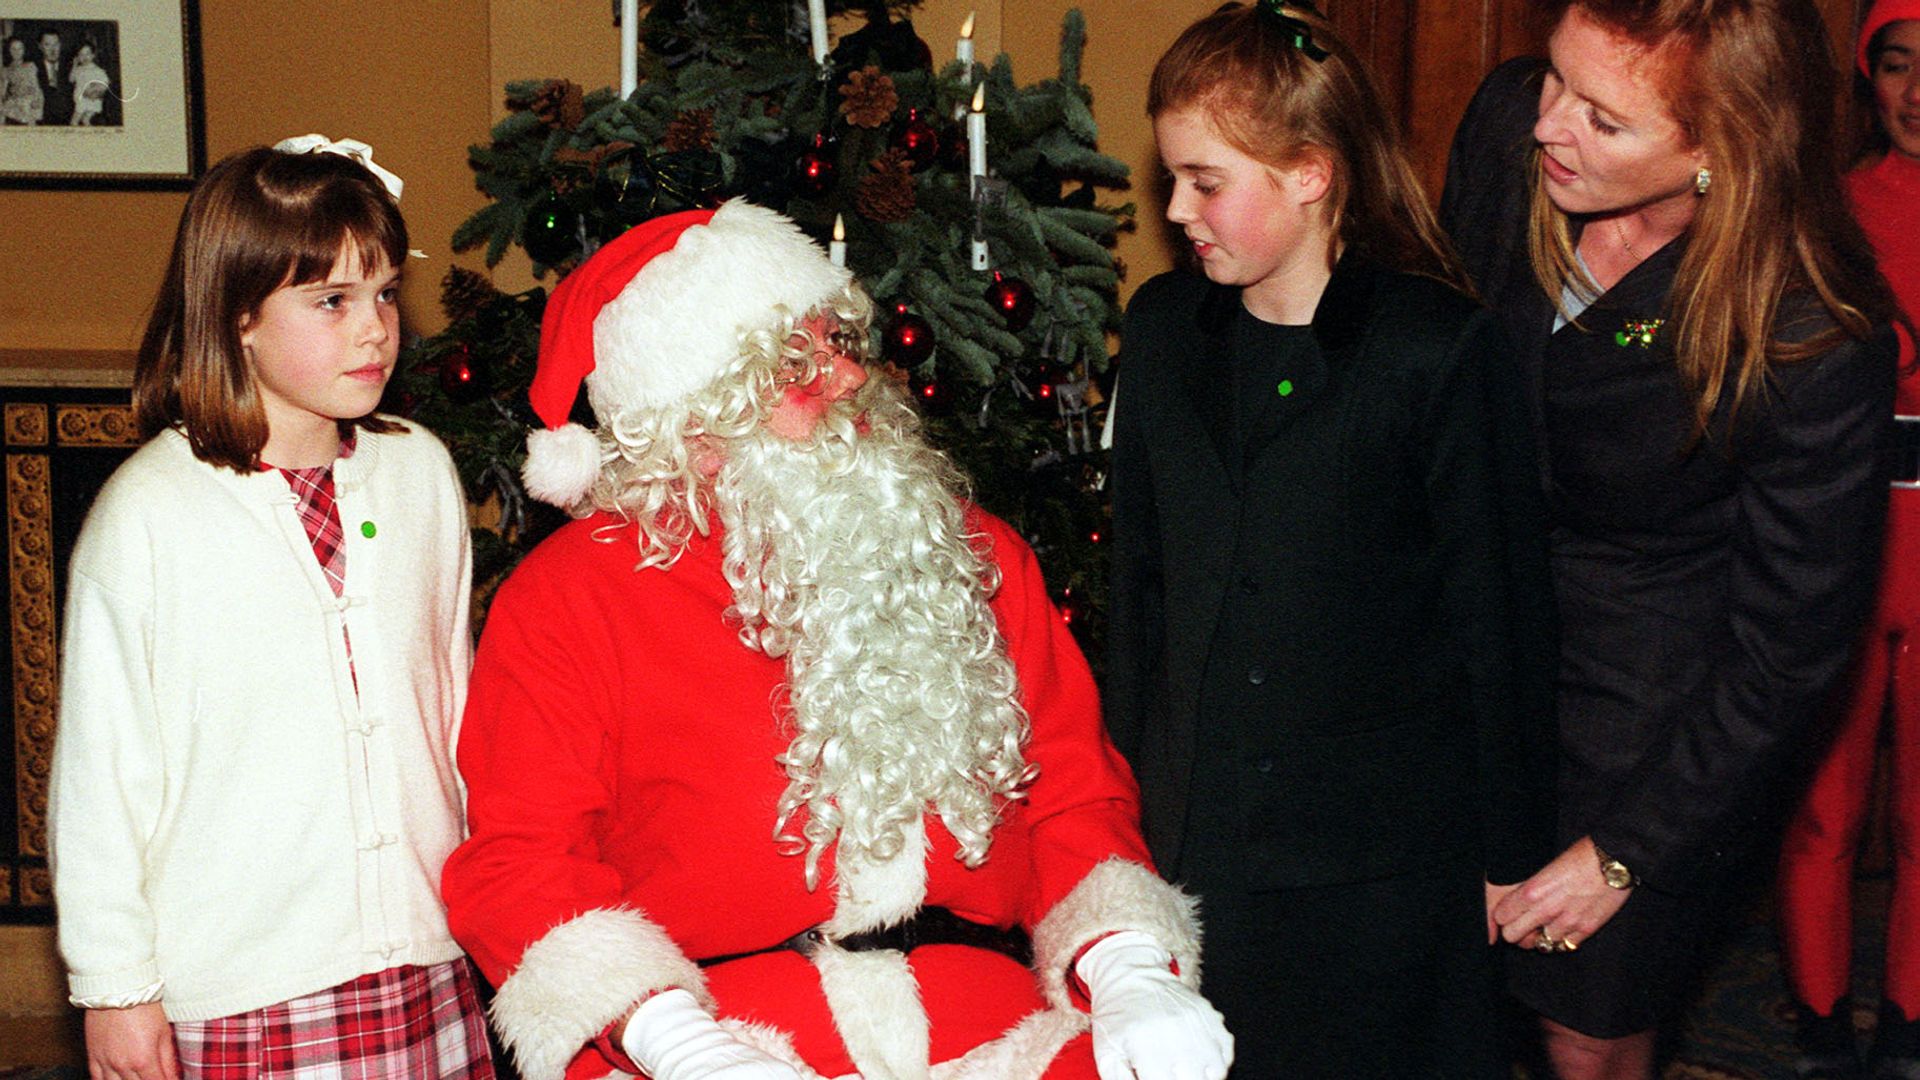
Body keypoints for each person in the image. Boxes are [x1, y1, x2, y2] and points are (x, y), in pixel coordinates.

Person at [440, 197, 1233, 1080]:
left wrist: (1128, 971)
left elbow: (1073, 795)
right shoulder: (571, 596)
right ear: (694, 417)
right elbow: (521, 863)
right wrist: (681, 1044)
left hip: (990, 1022)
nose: (851, 380)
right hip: (715, 1030)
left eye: (843, 344)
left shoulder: (968, 550)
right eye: (795, 363)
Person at [1439, 0, 1901, 1075]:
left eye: (1605, 121)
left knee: (1580, 1026)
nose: (1550, 125)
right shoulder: (1515, 132)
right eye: (1555, 80)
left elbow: (1787, 654)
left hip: (1657, 729)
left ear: (1718, 151)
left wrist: (1622, 856)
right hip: (1474, 656)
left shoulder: (1812, 331)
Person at [1103, 3, 1558, 1075]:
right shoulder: (1167, 330)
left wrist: (1510, 858)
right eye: (1174, 177)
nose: (1176, 208)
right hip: (1198, 837)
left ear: (1310, 173)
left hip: (1379, 867)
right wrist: (1120, 820)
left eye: (1205, 181)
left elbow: (1499, 623)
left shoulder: (1434, 351)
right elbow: (1141, 589)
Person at [47, 137, 491, 1080]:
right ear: (238, 315)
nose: (374, 328)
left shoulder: (419, 474)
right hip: (252, 994)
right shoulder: (150, 516)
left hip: (430, 958)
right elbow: (100, 784)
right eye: (330, 301)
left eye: (381, 293)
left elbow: (454, 713)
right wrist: (115, 989)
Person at [1774, 2, 1920, 1076]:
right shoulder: (1824, 213)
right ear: (1868, 78)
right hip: (1848, 534)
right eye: (1899, 66)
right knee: (1823, 807)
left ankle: (1911, 1026)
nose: (1918, 93)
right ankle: (1823, 1027)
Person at [2, 36, 43, 125]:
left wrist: (37, 99)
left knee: (28, 108)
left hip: (30, 99)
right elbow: (3, 91)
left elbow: (35, 85)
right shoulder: (6, 70)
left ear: (24, 50)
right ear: (8, 50)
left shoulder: (30, 66)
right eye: (13, 49)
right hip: (15, 101)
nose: (17, 52)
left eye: (20, 48)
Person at [68, 40, 107, 126]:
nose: (85, 57)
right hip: (81, 100)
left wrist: (96, 90)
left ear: (93, 55)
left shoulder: (97, 70)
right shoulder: (78, 70)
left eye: (87, 53)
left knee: (81, 120)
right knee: (78, 121)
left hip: (92, 99)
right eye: (81, 54)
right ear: (77, 57)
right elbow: (71, 79)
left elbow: (105, 83)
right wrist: (74, 65)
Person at [34, 29, 68, 126]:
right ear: (40, 46)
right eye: (47, 45)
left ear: (60, 45)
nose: (53, 50)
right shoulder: (32, 68)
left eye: (56, 44)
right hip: (42, 122)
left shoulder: (71, 66)